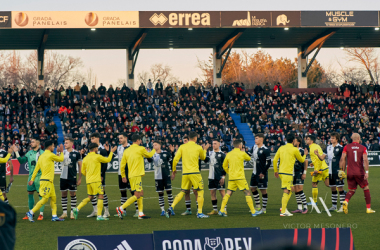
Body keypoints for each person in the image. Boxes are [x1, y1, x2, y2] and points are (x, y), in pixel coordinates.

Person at [166, 131, 210, 219]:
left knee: (183, 191)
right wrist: (205, 149)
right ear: (195, 138)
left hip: (185, 173)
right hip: (195, 173)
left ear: (189, 138)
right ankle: (200, 213)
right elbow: (203, 158)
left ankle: (171, 207)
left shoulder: (182, 147)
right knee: (200, 191)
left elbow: (175, 159)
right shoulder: (198, 147)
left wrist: (174, 170)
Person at [116, 134, 156, 219]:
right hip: (137, 175)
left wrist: (123, 175)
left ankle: (140, 213)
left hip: (131, 176)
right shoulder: (141, 149)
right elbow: (149, 156)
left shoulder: (126, 150)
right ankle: (121, 208)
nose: (141, 142)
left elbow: (122, 165)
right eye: (140, 140)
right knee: (137, 195)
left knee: (140, 193)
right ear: (138, 140)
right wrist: (154, 150)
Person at [218, 139, 261, 217]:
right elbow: (248, 158)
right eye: (241, 145)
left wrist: (229, 172)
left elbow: (224, 166)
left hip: (231, 178)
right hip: (240, 178)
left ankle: (221, 210)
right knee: (247, 193)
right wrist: (244, 152)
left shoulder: (229, 154)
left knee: (228, 194)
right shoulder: (242, 153)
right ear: (239, 146)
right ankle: (253, 212)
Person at [73, 143, 116, 221]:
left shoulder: (85, 158)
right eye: (97, 148)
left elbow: (83, 171)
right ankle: (99, 215)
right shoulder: (97, 157)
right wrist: (111, 152)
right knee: (100, 196)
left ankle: (77, 208)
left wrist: (89, 176)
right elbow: (108, 160)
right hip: (96, 180)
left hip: (88, 181)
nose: (97, 149)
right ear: (95, 148)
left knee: (91, 197)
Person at [26, 140, 64, 222]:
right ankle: (30, 212)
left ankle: (54, 216)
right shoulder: (50, 155)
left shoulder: (42, 156)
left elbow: (36, 169)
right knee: (44, 199)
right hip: (46, 181)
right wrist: (61, 151)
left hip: (47, 181)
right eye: (53, 146)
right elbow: (61, 159)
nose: (54, 148)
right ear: (50, 147)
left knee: (53, 198)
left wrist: (32, 179)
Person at [340, 133, 375, 214]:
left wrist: (342, 170)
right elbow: (365, 159)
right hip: (359, 172)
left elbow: (342, 158)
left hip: (350, 172)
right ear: (359, 138)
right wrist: (367, 171)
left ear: (352, 138)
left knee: (352, 189)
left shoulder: (346, 147)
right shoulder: (363, 147)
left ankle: (345, 201)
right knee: (366, 188)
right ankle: (368, 209)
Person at [273, 133, 307, 216]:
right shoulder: (294, 149)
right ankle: (283, 211)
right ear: (293, 141)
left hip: (281, 172)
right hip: (288, 173)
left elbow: (274, 160)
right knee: (286, 190)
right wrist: (305, 154)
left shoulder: (281, 148)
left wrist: (275, 171)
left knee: (291, 189)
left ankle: (283, 208)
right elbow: (302, 160)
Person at [15, 139, 46, 221]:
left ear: (38, 143)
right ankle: (30, 213)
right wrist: (16, 152)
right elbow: (21, 161)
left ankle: (41, 214)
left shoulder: (43, 153)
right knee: (30, 193)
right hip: (31, 177)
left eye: (33, 142)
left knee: (41, 194)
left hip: (40, 177)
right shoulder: (29, 153)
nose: (31, 143)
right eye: (31, 142)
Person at [315, 132, 346, 212]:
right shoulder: (328, 147)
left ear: (337, 139)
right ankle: (334, 206)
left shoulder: (341, 147)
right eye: (331, 138)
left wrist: (343, 170)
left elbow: (343, 160)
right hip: (331, 171)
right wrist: (317, 154)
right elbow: (322, 158)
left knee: (340, 188)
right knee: (332, 188)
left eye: (333, 138)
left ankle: (343, 206)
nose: (331, 139)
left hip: (338, 171)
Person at [114, 133, 138, 217]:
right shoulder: (119, 148)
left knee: (133, 192)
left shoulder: (131, 148)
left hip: (129, 173)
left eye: (121, 138)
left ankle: (138, 210)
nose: (119, 140)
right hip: (120, 173)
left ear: (126, 138)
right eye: (119, 138)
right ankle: (123, 210)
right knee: (122, 192)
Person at [87, 132, 111, 218]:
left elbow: (105, 164)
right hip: (91, 175)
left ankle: (106, 211)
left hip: (99, 175)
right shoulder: (90, 149)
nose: (91, 139)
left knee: (102, 192)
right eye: (91, 138)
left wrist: (102, 175)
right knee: (92, 193)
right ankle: (95, 210)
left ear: (98, 138)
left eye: (93, 138)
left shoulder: (102, 150)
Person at [58, 138, 82, 219]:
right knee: (63, 194)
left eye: (67, 143)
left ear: (72, 144)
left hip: (72, 177)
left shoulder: (77, 153)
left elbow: (80, 166)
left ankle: (72, 212)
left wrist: (80, 178)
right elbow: (57, 160)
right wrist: (58, 152)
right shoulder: (63, 152)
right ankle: (64, 213)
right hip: (63, 177)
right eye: (64, 143)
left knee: (73, 194)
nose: (65, 144)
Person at [148, 141, 174, 216]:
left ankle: (171, 209)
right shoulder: (152, 154)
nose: (154, 146)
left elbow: (172, 163)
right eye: (153, 145)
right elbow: (149, 161)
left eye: (155, 145)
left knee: (169, 192)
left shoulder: (166, 153)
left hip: (166, 176)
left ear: (159, 145)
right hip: (158, 177)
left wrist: (173, 173)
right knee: (160, 194)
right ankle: (162, 210)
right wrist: (147, 155)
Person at [249, 134, 271, 214]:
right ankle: (258, 206)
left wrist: (263, 172)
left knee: (263, 190)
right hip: (254, 173)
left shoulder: (265, 149)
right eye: (255, 138)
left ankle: (264, 208)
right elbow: (248, 155)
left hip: (262, 173)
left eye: (257, 138)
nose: (255, 140)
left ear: (261, 139)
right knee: (252, 188)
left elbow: (269, 163)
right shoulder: (254, 147)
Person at [306, 135, 329, 205]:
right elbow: (320, 157)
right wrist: (313, 163)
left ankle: (314, 201)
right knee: (328, 184)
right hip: (325, 167)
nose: (306, 140)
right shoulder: (316, 146)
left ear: (311, 141)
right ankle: (341, 190)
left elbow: (319, 160)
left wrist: (316, 169)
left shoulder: (312, 148)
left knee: (314, 183)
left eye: (308, 139)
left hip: (319, 169)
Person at [205, 139, 226, 215]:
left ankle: (224, 209)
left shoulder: (223, 154)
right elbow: (205, 160)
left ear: (219, 144)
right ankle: (215, 210)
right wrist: (205, 150)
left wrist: (223, 177)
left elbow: (226, 167)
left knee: (222, 193)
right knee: (212, 193)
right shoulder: (210, 153)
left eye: (215, 143)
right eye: (213, 144)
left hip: (219, 177)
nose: (213, 145)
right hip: (211, 177)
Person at [180, 136, 198, 216]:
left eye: (186, 140)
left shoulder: (194, 148)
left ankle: (199, 210)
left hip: (194, 173)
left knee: (196, 191)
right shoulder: (183, 149)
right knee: (186, 192)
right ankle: (188, 210)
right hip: (186, 173)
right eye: (184, 141)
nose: (185, 142)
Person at [291, 136, 308, 214]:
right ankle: (299, 208)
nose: (293, 142)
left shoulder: (302, 151)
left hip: (299, 172)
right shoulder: (291, 150)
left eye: (295, 140)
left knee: (299, 189)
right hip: (292, 172)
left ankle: (305, 207)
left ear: (298, 142)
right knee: (295, 190)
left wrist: (304, 173)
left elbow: (305, 162)